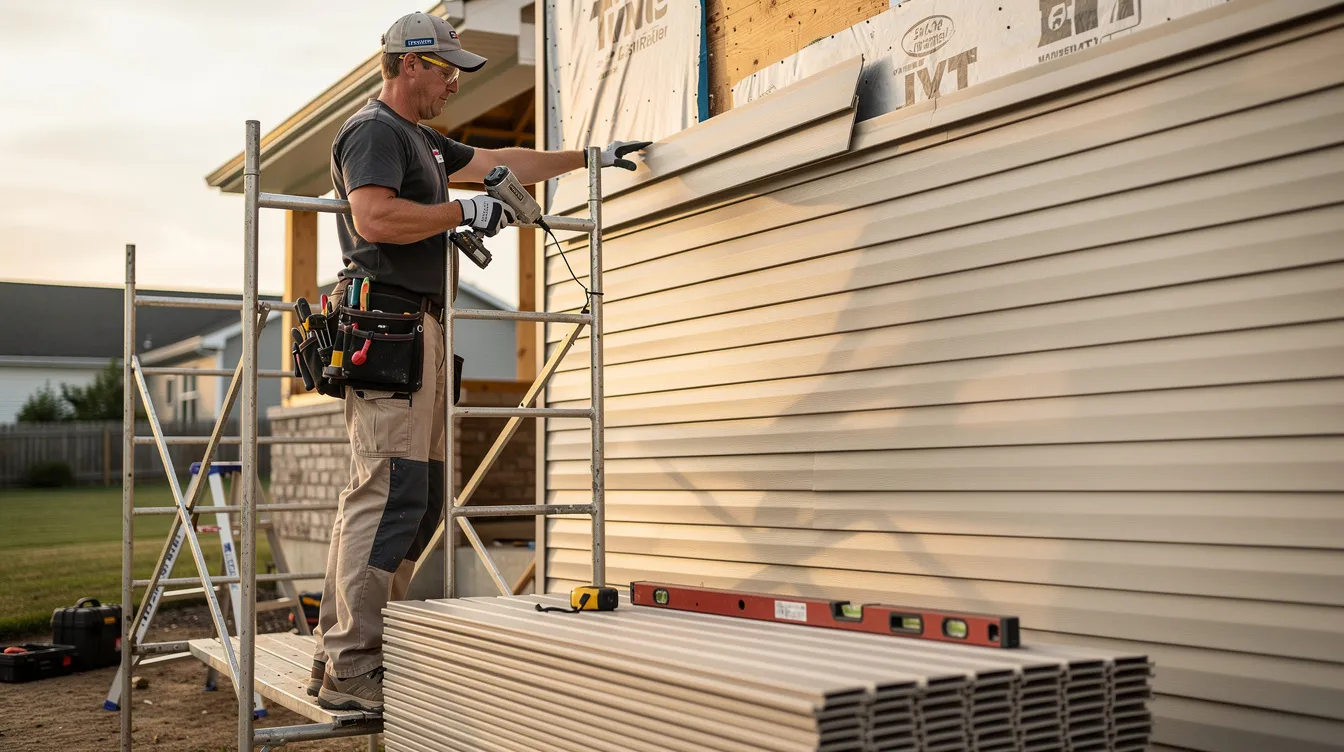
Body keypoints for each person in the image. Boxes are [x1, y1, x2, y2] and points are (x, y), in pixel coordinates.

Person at [307, 11, 650, 713]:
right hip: (389, 327)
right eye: (445, 71)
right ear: (409, 66)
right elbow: (373, 217)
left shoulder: (420, 139)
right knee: (389, 493)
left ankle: (350, 652)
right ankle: (351, 668)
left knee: (419, 497)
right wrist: (463, 214)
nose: (454, 84)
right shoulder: (373, 130)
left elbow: (500, 165)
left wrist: (589, 158)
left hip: (419, 330)